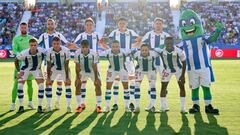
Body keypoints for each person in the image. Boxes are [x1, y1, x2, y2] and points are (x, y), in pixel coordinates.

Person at [15, 38, 45, 113]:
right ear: (29, 45)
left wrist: (47, 70)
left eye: (35, 45)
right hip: (25, 69)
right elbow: (16, 59)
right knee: (20, 86)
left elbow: (49, 58)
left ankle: (39, 106)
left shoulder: (42, 51)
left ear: (37, 45)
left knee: (41, 85)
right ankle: (21, 106)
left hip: (37, 69)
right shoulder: (24, 52)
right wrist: (19, 71)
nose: (33, 47)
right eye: (31, 45)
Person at [10, 22, 35, 111]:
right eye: (22, 27)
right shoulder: (16, 39)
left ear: (27, 28)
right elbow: (14, 50)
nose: (24, 29)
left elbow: (35, 49)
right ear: (20, 28)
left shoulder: (31, 38)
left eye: (25, 27)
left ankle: (30, 102)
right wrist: (22, 56)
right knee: (16, 84)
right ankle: (13, 103)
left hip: (31, 65)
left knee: (29, 84)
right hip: (20, 65)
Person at [74, 40, 103, 113]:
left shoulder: (94, 53)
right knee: (77, 85)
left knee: (98, 85)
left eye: (86, 47)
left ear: (89, 47)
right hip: (82, 71)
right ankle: (79, 105)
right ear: (81, 47)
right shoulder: (77, 53)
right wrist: (77, 78)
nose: (84, 49)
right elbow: (77, 67)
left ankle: (98, 105)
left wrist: (96, 78)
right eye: (83, 47)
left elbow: (95, 66)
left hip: (92, 71)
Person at [45, 37, 72, 113]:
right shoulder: (49, 51)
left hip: (64, 69)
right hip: (54, 69)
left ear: (60, 43)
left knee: (67, 85)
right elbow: (49, 65)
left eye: (57, 43)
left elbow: (66, 65)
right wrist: (48, 77)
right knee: (48, 85)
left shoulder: (66, 50)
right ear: (52, 44)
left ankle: (69, 106)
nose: (56, 45)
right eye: (54, 44)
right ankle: (49, 105)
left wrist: (67, 77)